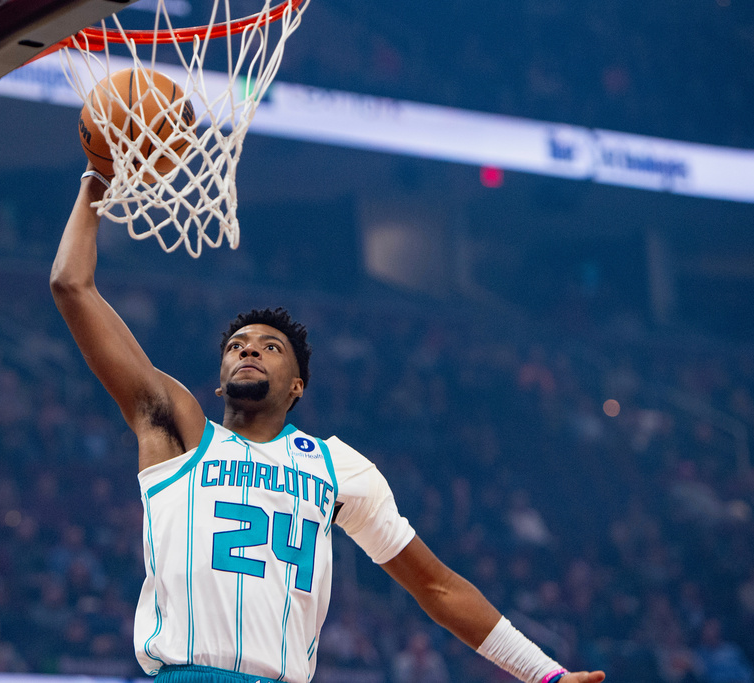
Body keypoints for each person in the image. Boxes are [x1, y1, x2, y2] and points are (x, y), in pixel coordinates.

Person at [50, 167, 607, 683]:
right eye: (238, 346)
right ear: (219, 381)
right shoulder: (178, 431)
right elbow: (71, 286)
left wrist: (545, 674)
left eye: (271, 347)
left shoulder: (338, 467)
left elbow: (437, 586)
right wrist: (97, 181)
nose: (250, 350)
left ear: (297, 386)